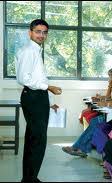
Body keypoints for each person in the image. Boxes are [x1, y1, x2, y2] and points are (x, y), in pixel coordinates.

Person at [15, 19, 62, 182]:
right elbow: (24, 79)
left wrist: (47, 101)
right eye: (38, 31)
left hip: (36, 97)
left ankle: (29, 178)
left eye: (44, 32)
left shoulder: (35, 50)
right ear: (30, 32)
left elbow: (35, 77)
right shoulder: (29, 51)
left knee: (33, 140)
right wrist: (48, 87)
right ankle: (30, 179)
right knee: (37, 142)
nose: (41, 35)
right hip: (34, 97)